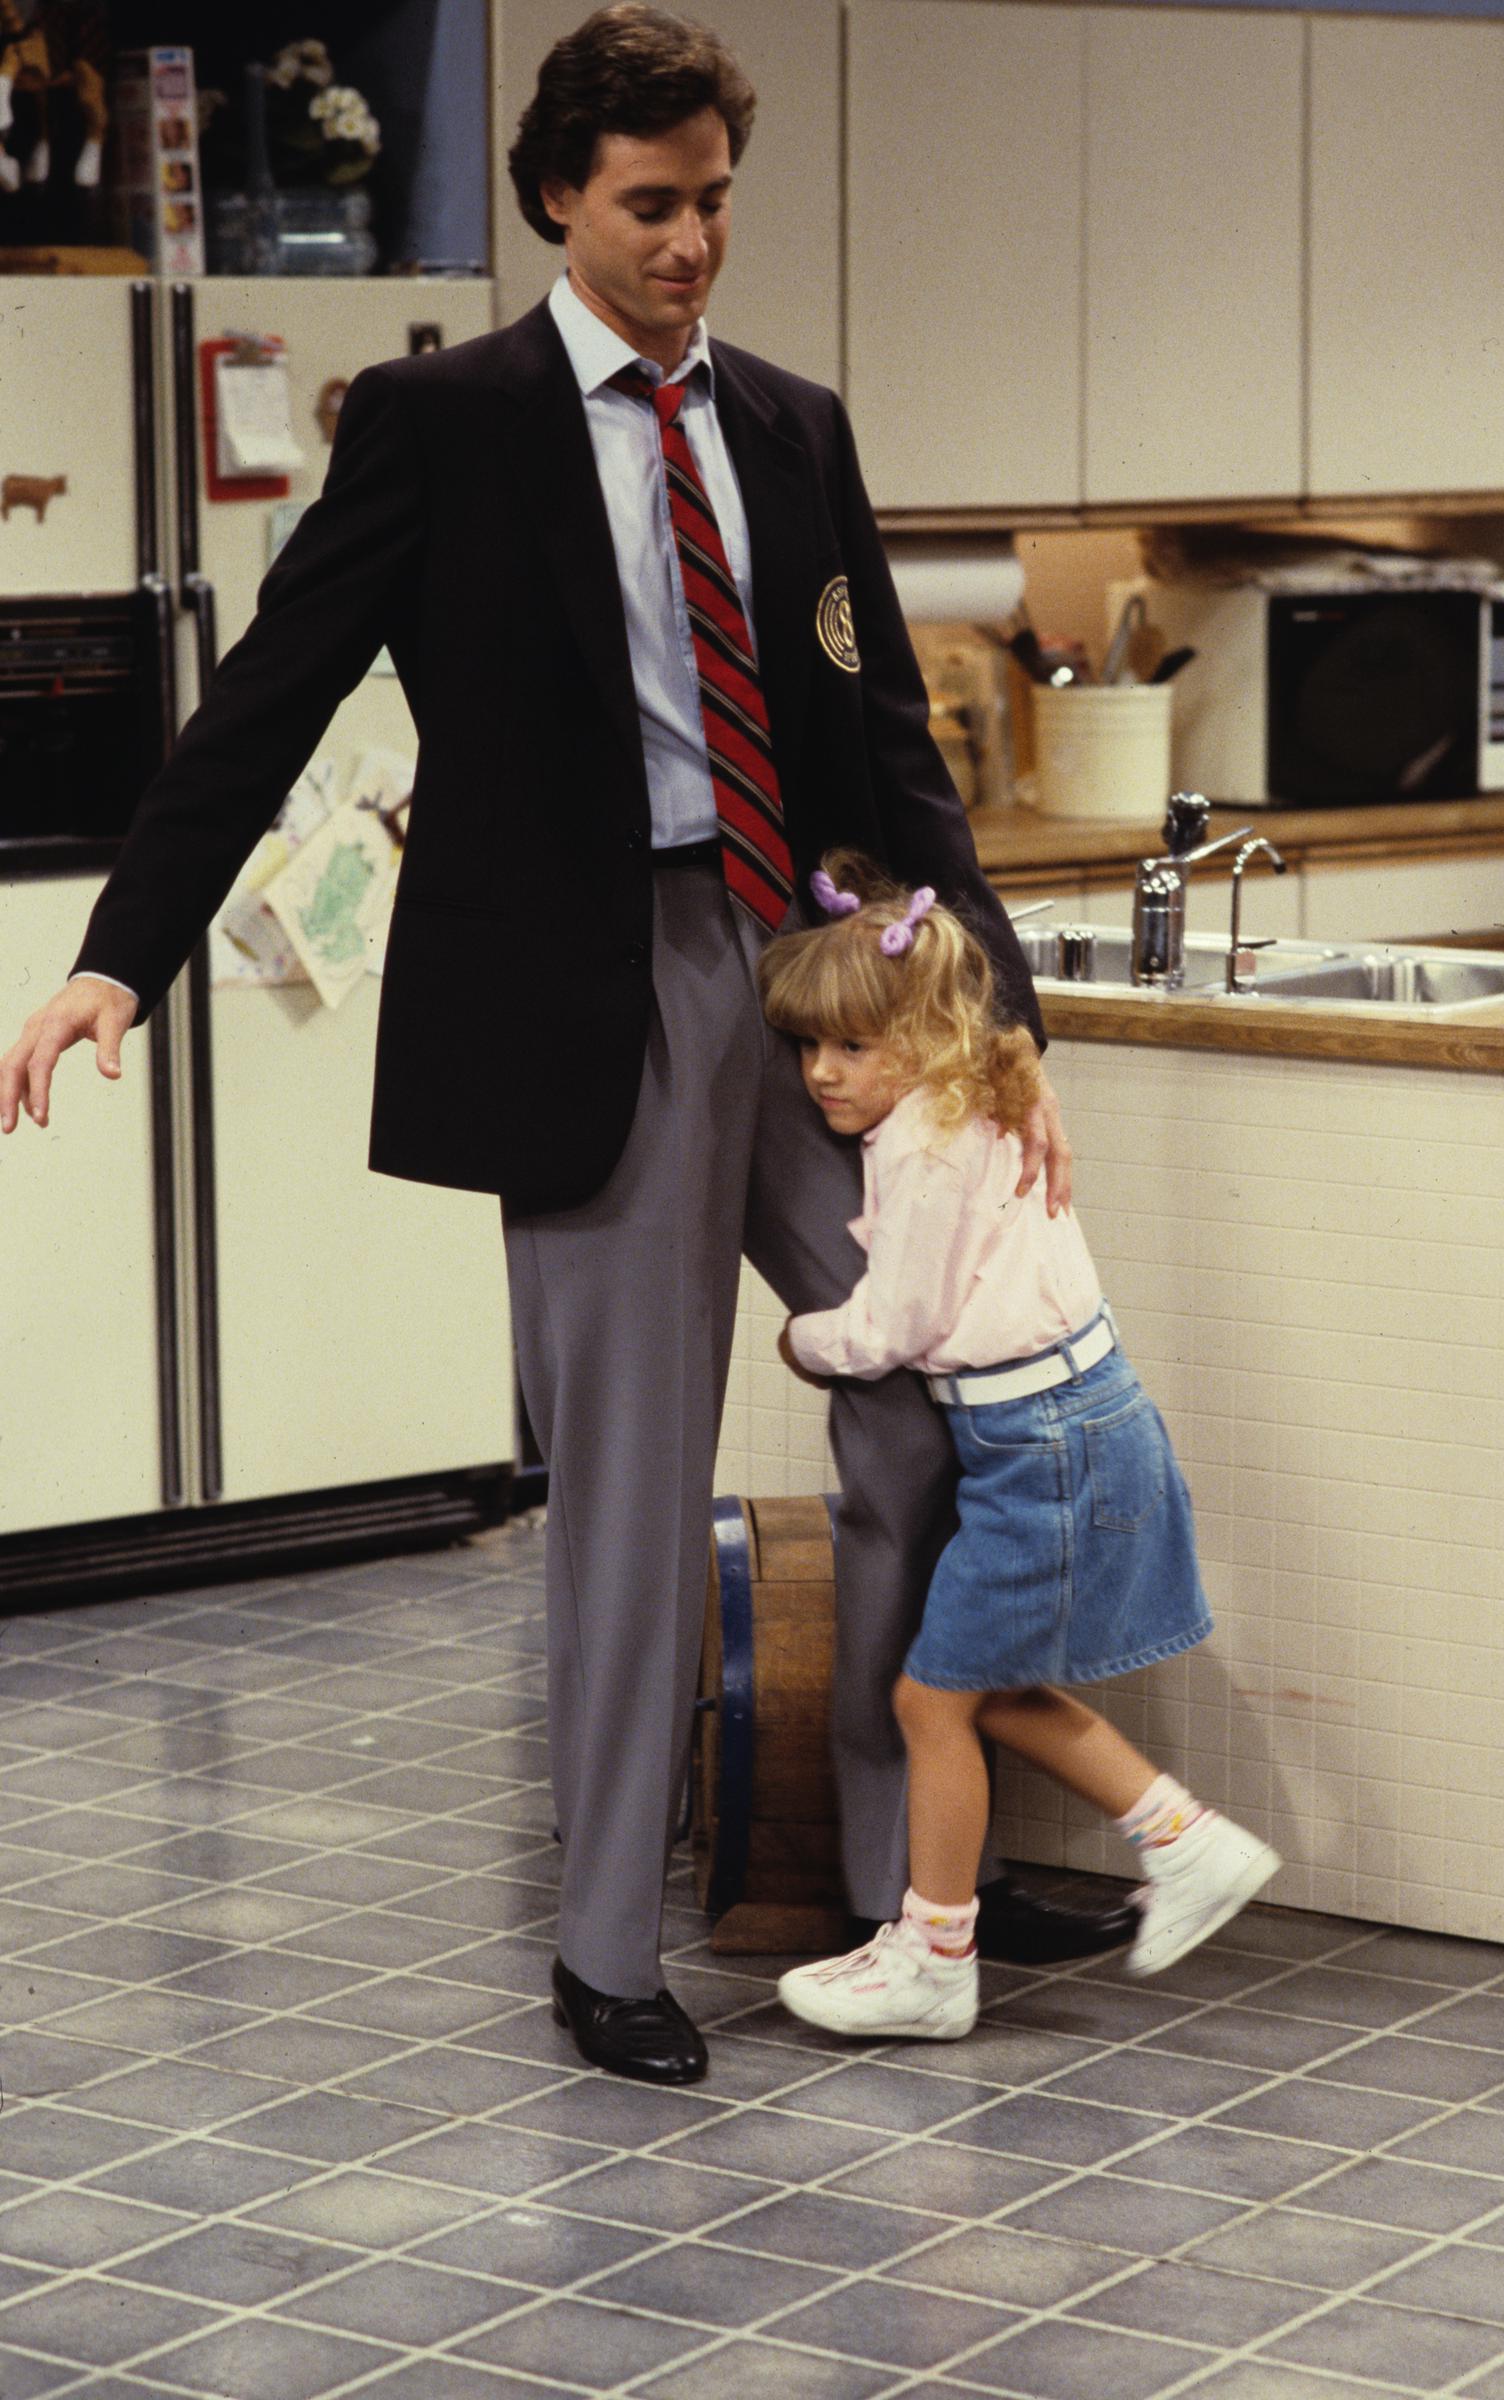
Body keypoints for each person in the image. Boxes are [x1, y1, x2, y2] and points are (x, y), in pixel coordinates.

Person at [0, 4, 1135, 2086]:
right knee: (630, 1478)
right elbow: (269, 693)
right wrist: (120, 956)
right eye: (652, 204)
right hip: (589, 988)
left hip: (817, 979)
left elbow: (889, 745)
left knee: (928, 1407)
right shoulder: (451, 425)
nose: (694, 239)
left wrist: (1002, 1025)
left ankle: (914, 1899)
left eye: (713, 200)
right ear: (556, 199)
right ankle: (606, 1940)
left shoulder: (792, 427)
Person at [759, 856, 1280, 2041]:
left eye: (849, 1049)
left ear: (923, 1034)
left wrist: (805, 1338)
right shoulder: (963, 1104)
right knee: (977, 1691)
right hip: (1056, 1426)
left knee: (931, 1700)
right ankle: (1184, 1842)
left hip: (1040, 1441)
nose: (821, 1075)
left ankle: (937, 1958)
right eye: (808, 1049)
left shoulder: (930, 1146)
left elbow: (897, 1327)